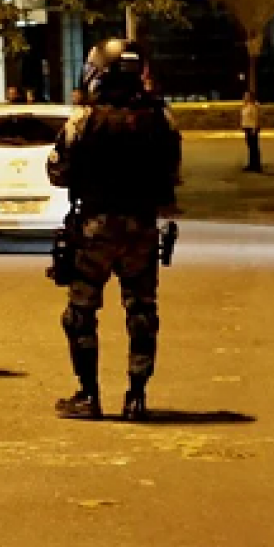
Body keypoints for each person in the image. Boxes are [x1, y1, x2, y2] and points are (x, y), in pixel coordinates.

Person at [47, 39, 182, 422]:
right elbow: (172, 173)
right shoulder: (162, 118)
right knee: (141, 311)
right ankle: (136, 397)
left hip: (96, 227)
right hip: (141, 226)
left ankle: (89, 396)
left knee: (80, 313)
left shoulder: (85, 120)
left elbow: (57, 171)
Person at [240, 92, 263, 173]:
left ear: (250, 97)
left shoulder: (253, 106)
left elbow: (255, 118)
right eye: (244, 96)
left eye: (246, 96)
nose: (245, 97)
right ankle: (251, 164)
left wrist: (254, 129)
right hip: (247, 128)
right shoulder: (245, 106)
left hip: (252, 128)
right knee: (250, 147)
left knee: (254, 147)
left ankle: (256, 165)